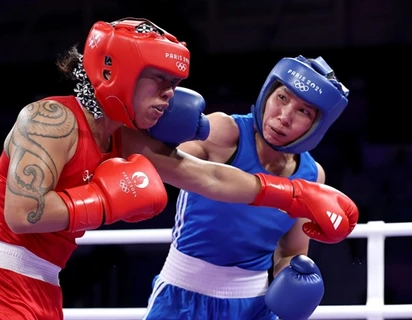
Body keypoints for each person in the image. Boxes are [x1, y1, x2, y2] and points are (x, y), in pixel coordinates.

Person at [0, 16, 357, 320]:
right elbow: (22, 215)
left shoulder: (122, 137)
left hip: (44, 287)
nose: (169, 95)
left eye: (173, 85)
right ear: (117, 74)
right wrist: (106, 199)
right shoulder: (50, 118)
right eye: (158, 81)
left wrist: (294, 194)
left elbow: (207, 177)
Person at [143, 55, 353, 320]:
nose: (284, 117)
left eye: (303, 111)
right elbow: (158, 162)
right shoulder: (223, 132)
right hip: (181, 293)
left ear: (317, 126)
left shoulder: (311, 176)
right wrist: (159, 129)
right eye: (283, 98)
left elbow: (292, 250)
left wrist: (293, 281)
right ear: (267, 94)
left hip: (254, 305)